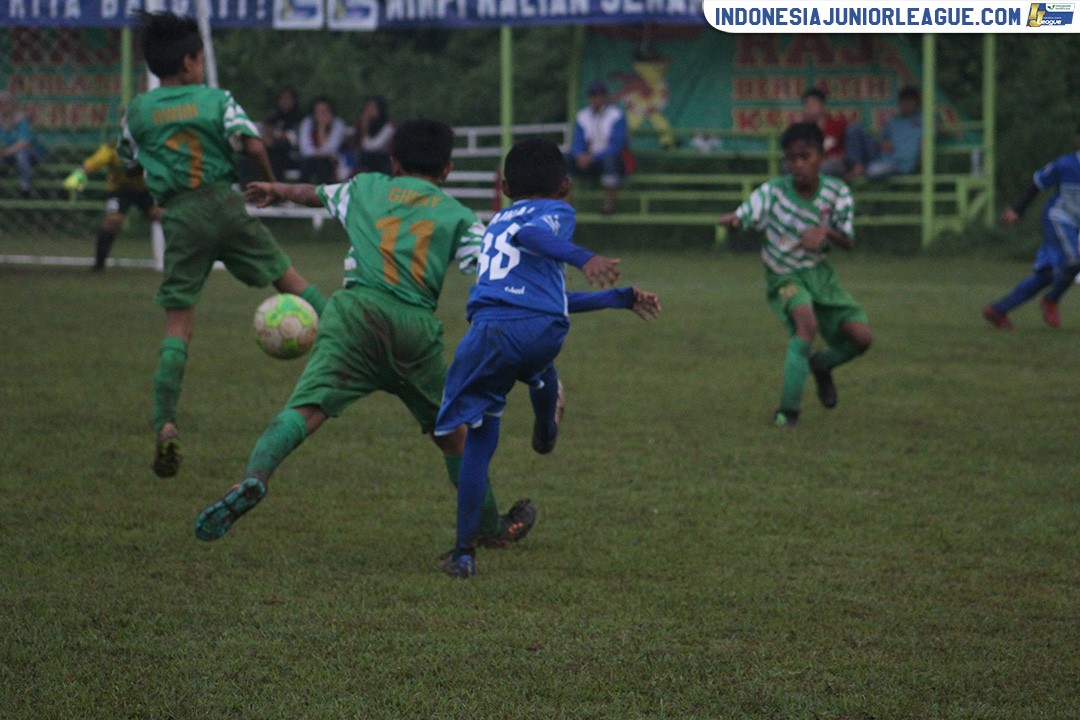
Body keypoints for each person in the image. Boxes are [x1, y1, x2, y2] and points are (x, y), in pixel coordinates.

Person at [193, 118, 535, 549]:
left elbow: (314, 194)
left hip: (353, 315)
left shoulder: (365, 187)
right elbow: (491, 267)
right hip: (414, 329)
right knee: (452, 433)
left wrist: (276, 190)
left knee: (307, 408)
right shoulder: (457, 215)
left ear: (393, 160)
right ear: (446, 169)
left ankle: (256, 475)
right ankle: (489, 528)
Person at [436, 138, 662, 579]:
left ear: (503, 186)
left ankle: (463, 553)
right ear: (566, 186)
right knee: (534, 356)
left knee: (474, 439)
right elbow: (539, 259)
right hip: (539, 330)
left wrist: (602, 283)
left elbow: (526, 250)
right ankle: (545, 418)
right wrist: (587, 260)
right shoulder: (556, 212)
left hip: (487, 334)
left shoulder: (498, 222)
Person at [118, 10, 328, 479]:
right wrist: (271, 186)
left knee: (179, 324)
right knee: (287, 277)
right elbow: (251, 145)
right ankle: (349, 337)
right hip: (225, 204)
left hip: (181, 216)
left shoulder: (138, 110)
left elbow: (127, 158)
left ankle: (166, 422)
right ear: (193, 61)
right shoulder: (217, 100)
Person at [717, 122, 873, 428]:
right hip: (784, 278)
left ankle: (821, 365)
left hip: (821, 277)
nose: (798, 165)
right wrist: (736, 220)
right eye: (792, 159)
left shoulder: (837, 192)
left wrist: (825, 232)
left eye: (806, 156)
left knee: (862, 339)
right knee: (806, 324)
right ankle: (788, 411)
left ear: (821, 156)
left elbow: (849, 241)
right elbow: (748, 212)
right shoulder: (773, 192)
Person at [983, 131, 1080, 330]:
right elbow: (1036, 184)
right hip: (1058, 219)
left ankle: (997, 310)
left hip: (1074, 224)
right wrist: (1017, 210)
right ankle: (1051, 300)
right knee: (1074, 260)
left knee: (1049, 274)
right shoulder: (1065, 164)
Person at [63, 142, 163, 272]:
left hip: (144, 190)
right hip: (119, 190)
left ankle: (178, 261)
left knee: (163, 217)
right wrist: (79, 175)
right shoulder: (112, 148)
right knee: (112, 221)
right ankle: (99, 265)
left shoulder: (149, 145)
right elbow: (93, 163)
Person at [569, 80, 629, 215]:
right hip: (588, 160)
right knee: (566, 161)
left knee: (610, 161)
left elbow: (616, 146)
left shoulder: (616, 116)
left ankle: (609, 206)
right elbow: (577, 142)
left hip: (607, 159)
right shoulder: (582, 116)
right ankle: (567, 206)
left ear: (605, 97)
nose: (595, 99)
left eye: (599, 96)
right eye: (592, 96)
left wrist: (592, 157)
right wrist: (579, 155)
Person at [848, 86, 923, 181]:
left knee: (873, 170)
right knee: (854, 128)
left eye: (910, 101)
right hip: (881, 156)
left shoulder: (924, 119)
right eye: (904, 101)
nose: (906, 105)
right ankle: (857, 167)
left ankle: (860, 170)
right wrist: (881, 143)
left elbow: (928, 139)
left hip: (899, 165)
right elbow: (881, 141)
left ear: (917, 103)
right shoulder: (894, 121)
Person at [0, 91, 44, 198]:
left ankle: (25, 187)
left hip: (31, 153)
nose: (2, 107)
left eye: (4, 104)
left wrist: (5, 152)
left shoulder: (21, 119)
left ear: (11, 105)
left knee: (21, 154)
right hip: (8, 154)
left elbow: (24, 143)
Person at [797, 87, 848, 178]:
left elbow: (850, 148)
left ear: (822, 106)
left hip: (834, 164)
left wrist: (842, 156)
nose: (808, 109)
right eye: (806, 105)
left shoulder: (838, 125)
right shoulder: (802, 129)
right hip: (812, 165)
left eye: (812, 105)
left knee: (825, 167)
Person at [298, 96, 348, 184]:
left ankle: (323, 193)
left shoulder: (338, 124)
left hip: (332, 161)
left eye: (324, 111)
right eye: (318, 111)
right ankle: (302, 194)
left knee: (321, 163)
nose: (321, 115)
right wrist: (317, 153)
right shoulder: (307, 123)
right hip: (310, 159)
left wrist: (322, 128)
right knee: (309, 163)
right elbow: (304, 148)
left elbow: (331, 148)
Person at [261, 86, 303, 181]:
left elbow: (293, 138)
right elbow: (266, 135)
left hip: (292, 156)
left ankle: (275, 189)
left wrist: (277, 134)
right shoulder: (274, 118)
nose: (285, 101)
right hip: (272, 152)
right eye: (283, 98)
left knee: (275, 157)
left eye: (288, 98)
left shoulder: (300, 118)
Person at [349, 95, 394, 175]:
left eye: (372, 108)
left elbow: (372, 147)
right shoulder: (359, 126)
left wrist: (365, 127)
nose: (368, 111)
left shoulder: (388, 126)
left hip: (382, 161)